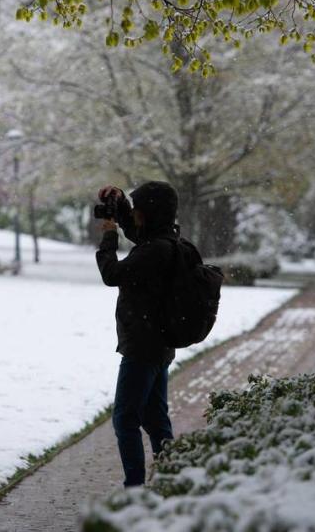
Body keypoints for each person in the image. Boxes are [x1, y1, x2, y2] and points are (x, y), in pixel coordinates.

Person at [95, 181, 199, 488]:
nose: (136, 213)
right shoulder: (167, 240)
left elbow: (112, 274)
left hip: (142, 346)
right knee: (154, 418)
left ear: (150, 212)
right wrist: (122, 205)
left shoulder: (155, 251)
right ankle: (170, 478)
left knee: (125, 418)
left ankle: (135, 489)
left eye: (138, 208)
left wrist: (109, 236)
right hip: (159, 345)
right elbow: (141, 233)